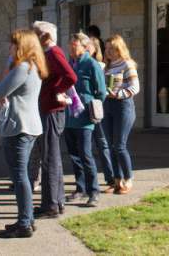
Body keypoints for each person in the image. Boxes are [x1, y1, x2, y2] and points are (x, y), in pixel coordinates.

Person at [0, 29, 47, 239]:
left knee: (20, 176)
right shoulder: (33, 67)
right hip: (29, 125)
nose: (11, 48)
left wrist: (8, 67)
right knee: (22, 174)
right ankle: (27, 219)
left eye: (14, 44)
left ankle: (24, 222)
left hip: (19, 127)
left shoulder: (23, 67)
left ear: (23, 46)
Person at [31, 20, 76, 218]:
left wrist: (57, 90)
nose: (33, 37)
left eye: (36, 33)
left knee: (49, 157)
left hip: (51, 109)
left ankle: (50, 205)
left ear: (45, 36)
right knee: (52, 157)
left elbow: (71, 76)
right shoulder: (47, 53)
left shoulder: (54, 52)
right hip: (49, 108)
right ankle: (57, 202)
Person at [63, 32, 107, 207]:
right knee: (74, 155)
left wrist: (91, 106)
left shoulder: (91, 64)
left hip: (85, 117)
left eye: (74, 45)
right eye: (70, 45)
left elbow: (101, 92)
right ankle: (80, 188)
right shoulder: (69, 64)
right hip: (69, 116)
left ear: (84, 46)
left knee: (86, 154)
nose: (71, 49)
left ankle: (93, 191)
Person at [103, 34, 139, 194]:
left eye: (112, 49)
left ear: (120, 49)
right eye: (107, 48)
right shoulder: (107, 66)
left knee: (119, 145)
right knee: (110, 145)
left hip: (123, 106)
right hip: (108, 106)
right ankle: (117, 181)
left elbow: (135, 87)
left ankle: (128, 179)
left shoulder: (127, 64)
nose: (109, 52)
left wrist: (118, 95)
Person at [85, 26, 115, 191]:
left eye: (88, 46)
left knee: (102, 143)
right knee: (88, 145)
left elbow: (102, 90)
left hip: (98, 110)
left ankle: (110, 176)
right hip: (87, 110)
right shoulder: (80, 64)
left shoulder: (101, 66)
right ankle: (88, 179)